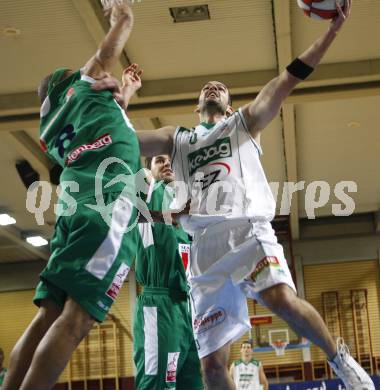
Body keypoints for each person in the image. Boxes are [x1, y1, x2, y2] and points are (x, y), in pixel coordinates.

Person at [93, 2, 374, 389]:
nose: (213, 87)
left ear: (228, 104)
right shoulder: (179, 139)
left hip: (246, 230)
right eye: (207, 88)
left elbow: (290, 77)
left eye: (221, 89)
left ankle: (338, 358)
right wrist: (122, 98)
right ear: (197, 106)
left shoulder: (243, 124)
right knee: (211, 365)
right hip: (204, 251)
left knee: (280, 300)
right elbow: (121, 141)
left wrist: (332, 32)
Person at [3, 3, 141, 389]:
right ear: (69, 84)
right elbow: (104, 56)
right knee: (76, 320)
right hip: (107, 207)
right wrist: (123, 19)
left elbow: (114, 124)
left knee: (48, 315)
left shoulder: (53, 129)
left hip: (74, 215)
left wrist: (127, 90)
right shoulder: (80, 88)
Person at [133, 153, 203, 390]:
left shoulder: (183, 203)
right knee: (157, 384)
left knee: (191, 382)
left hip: (186, 307)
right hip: (158, 304)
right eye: (159, 160)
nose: (167, 164)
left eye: (170, 161)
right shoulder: (147, 189)